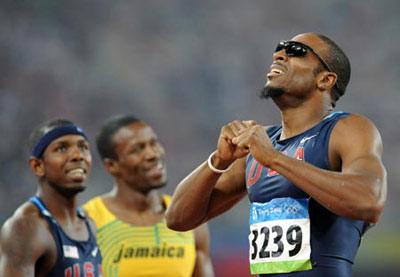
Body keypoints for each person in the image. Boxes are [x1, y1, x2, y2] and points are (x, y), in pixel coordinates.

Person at [165, 32, 387, 276]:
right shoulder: (260, 144)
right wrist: (219, 161)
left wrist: (275, 159)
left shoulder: (348, 129)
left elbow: (369, 200)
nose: (279, 55)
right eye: (279, 50)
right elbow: (177, 219)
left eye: (296, 51)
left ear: (325, 80)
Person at [83, 115, 214, 277]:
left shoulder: (188, 217)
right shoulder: (89, 220)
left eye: (154, 143)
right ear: (112, 165)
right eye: (137, 149)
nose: (152, 154)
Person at [0, 119, 102, 276]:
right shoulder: (25, 228)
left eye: (83, 147)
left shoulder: (89, 223)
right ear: (38, 166)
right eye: (62, 148)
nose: (77, 155)